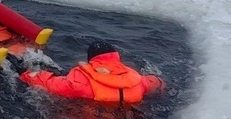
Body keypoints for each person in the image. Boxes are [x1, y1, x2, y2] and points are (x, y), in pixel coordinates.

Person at [18, 40, 164, 105]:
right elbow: (156, 83)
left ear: (91, 59)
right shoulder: (138, 80)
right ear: (116, 57)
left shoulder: (81, 81)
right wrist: (163, 85)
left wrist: (25, 73)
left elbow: (49, 84)